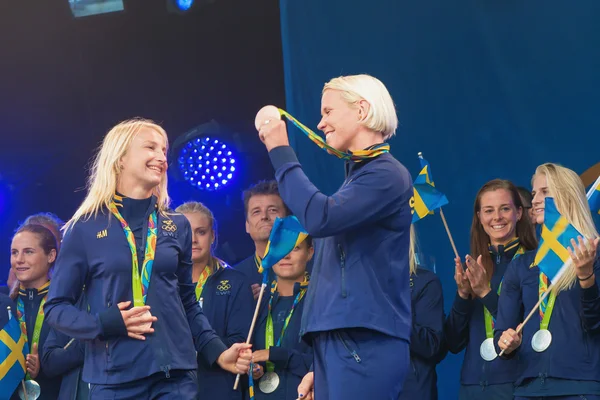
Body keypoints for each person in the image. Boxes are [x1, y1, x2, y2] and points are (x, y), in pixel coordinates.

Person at [43, 118, 251, 399]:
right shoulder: (85, 227)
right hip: (114, 379)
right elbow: (56, 307)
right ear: (120, 159)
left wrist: (218, 351)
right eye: (150, 147)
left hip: (175, 376)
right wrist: (104, 324)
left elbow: (188, 303)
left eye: (163, 150)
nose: (161, 157)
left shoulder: (176, 225)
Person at [257, 74, 412, 399]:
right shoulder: (359, 178)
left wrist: (279, 150)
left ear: (361, 110)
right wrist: (321, 363)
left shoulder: (386, 173)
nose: (321, 122)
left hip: (363, 342)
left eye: (328, 111)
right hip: (341, 343)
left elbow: (319, 216)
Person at [496, 163, 600, 399]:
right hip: (528, 388)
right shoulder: (521, 265)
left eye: (545, 192)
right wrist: (506, 341)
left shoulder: (595, 255)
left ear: (567, 195)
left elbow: (595, 325)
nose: (535, 200)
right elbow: (503, 330)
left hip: (579, 387)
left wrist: (585, 276)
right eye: (534, 194)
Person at [444, 179, 537, 399]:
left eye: (505, 208)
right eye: (488, 210)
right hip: (472, 386)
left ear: (519, 213)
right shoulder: (476, 266)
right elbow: (453, 342)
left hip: (516, 385)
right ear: (479, 217)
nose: (497, 217)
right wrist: (463, 295)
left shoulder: (534, 264)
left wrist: (485, 293)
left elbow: (528, 329)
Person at [176, 201, 254, 400]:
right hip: (170, 387)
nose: (193, 240)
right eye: (185, 231)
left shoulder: (235, 281)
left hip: (218, 386)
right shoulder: (159, 283)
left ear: (213, 236)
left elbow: (239, 340)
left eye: (200, 232)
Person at [251, 236, 314, 399]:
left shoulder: (321, 302)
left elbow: (327, 362)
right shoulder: (256, 304)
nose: (285, 255)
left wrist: (277, 355)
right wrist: (251, 367)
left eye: (295, 248)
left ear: (310, 252)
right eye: (280, 248)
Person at [9, 224, 61, 399]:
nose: (19, 259)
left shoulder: (67, 303)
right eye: (14, 252)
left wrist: (47, 365)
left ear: (51, 256)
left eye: (28, 252)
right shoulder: (5, 306)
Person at [400, 227, 446, 400]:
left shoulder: (425, 282)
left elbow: (432, 345)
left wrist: (391, 314)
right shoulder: (357, 285)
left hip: (411, 390)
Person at [234, 181, 290, 300]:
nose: (264, 216)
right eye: (256, 212)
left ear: (287, 221)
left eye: (273, 210)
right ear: (247, 226)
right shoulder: (235, 278)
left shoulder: (309, 267)